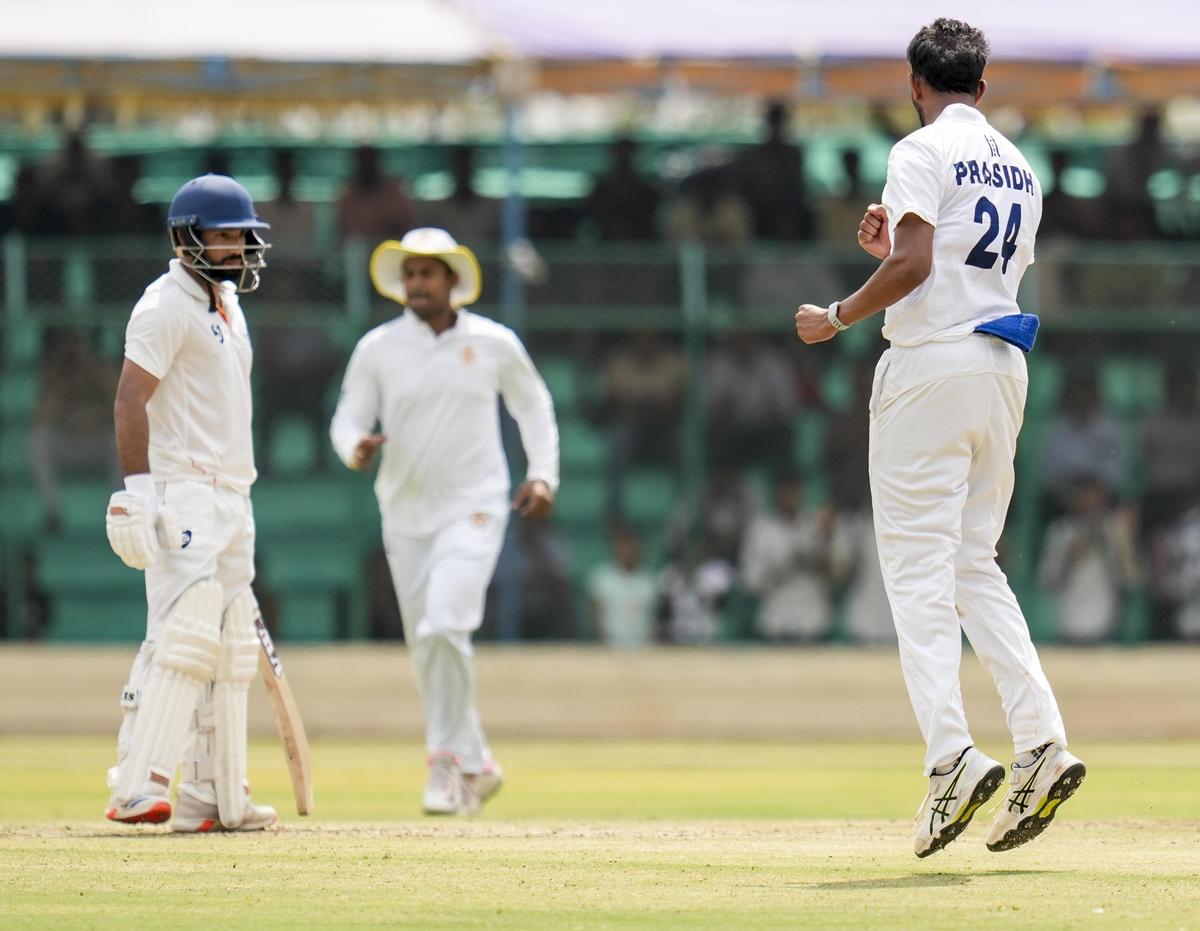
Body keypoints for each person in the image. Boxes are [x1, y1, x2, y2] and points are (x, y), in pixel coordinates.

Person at [793, 18, 1085, 858]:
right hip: (1001, 366)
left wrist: (840, 314)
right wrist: (896, 252)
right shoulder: (1019, 165)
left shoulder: (918, 149)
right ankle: (1042, 741)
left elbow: (918, 268)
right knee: (969, 564)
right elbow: (952, 264)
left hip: (930, 367)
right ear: (982, 87)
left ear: (915, 84)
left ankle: (950, 757)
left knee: (917, 572)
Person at [330, 227, 559, 816]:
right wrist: (355, 446)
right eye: (409, 273)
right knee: (428, 644)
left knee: (443, 626)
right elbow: (347, 418)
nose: (416, 283)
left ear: (452, 280)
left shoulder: (493, 342)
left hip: (475, 505)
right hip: (403, 513)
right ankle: (478, 764)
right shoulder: (377, 347)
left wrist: (543, 474)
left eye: (427, 273)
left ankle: (444, 761)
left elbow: (532, 403)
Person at [103, 173, 278, 832]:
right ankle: (136, 781)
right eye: (225, 234)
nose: (237, 247)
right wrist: (138, 492)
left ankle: (215, 792)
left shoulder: (228, 306)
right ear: (188, 237)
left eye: (243, 235)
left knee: (231, 642)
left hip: (234, 492)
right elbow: (129, 398)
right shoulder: (163, 304)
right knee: (184, 632)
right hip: (184, 489)